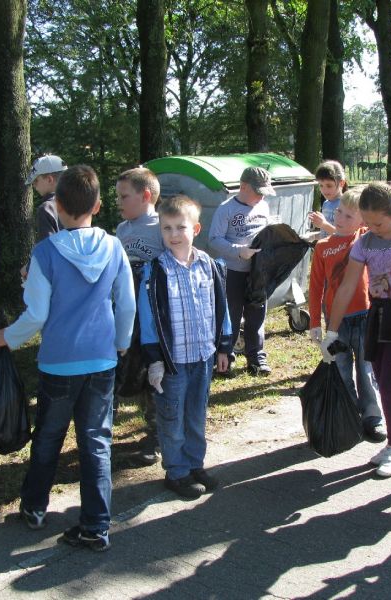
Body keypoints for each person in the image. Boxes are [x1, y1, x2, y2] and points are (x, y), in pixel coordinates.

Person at [0, 165, 135, 552]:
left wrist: (8, 338)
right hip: (102, 360)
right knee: (97, 442)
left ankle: (34, 508)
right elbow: (126, 304)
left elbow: (36, 314)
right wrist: (121, 343)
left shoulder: (45, 253)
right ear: (98, 205)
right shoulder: (114, 247)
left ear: (56, 205)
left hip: (58, 363)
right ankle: (96, 525)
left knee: (48, 436)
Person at [321, 181, 391, 477]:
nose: (372, 229)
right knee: (383, 380)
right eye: (367, 223)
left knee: (389, 381)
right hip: (378, 315)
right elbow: (347, 287)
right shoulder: (364, 243)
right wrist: (331, 332)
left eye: (378, 224)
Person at [138, 195, 232, 499]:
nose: (174, 234)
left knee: (195, 415)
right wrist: (154, 359)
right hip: (172, 362)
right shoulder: (154, 272)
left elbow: (221, 308)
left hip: (203, 357)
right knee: (171, 417)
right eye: (167, 228)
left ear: (196, 228)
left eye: (180, 227)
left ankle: (195, 464)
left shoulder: (210, 265)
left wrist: (224, 346)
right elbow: (148, 319)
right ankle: (176, 472)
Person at [307, 186, 386, 442]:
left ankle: (373, 417)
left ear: (363, 221)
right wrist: (314, 322)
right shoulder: (322, 247)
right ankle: (350, 415)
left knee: (366, 370)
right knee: (341, 370)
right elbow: (315, 287)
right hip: (336, 323)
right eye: (339, 212)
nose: (339, 218)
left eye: (349, 216)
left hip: (365, 318)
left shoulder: (365, 240)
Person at [115, 167, 165, 465]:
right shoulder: (122, 230)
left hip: (153, 316)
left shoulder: (162, 226)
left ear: (146, 196)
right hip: (126, 313)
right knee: (125, 365)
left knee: (153, 371)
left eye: (124, 196)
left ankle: (156, 435)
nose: (118, 202)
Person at [208, 166, 274, 376]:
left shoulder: (263, 206)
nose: (262, 196)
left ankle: (256, 358)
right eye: (258, 192)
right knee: (231, 316)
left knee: (256, 314)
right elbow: (214, 239)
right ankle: (225, 358)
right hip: (233, 272)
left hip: (257, 273)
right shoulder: (226, 209)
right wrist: (239, 251)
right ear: (243, 186)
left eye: (265, 192)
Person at [25, 154, 67, 241]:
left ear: (49, 180)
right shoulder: (79, 201)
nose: (33, 185)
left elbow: (48, 247)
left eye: (36, 180)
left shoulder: (47, 209)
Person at [308, 160, 348, 236]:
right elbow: (325, 233)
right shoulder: (326, 203)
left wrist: (324, 224)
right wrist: (313, 236)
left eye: (329, 186)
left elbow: (344, 235)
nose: (324, 190)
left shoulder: (346, 204)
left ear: (341, 183)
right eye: (321, 185)